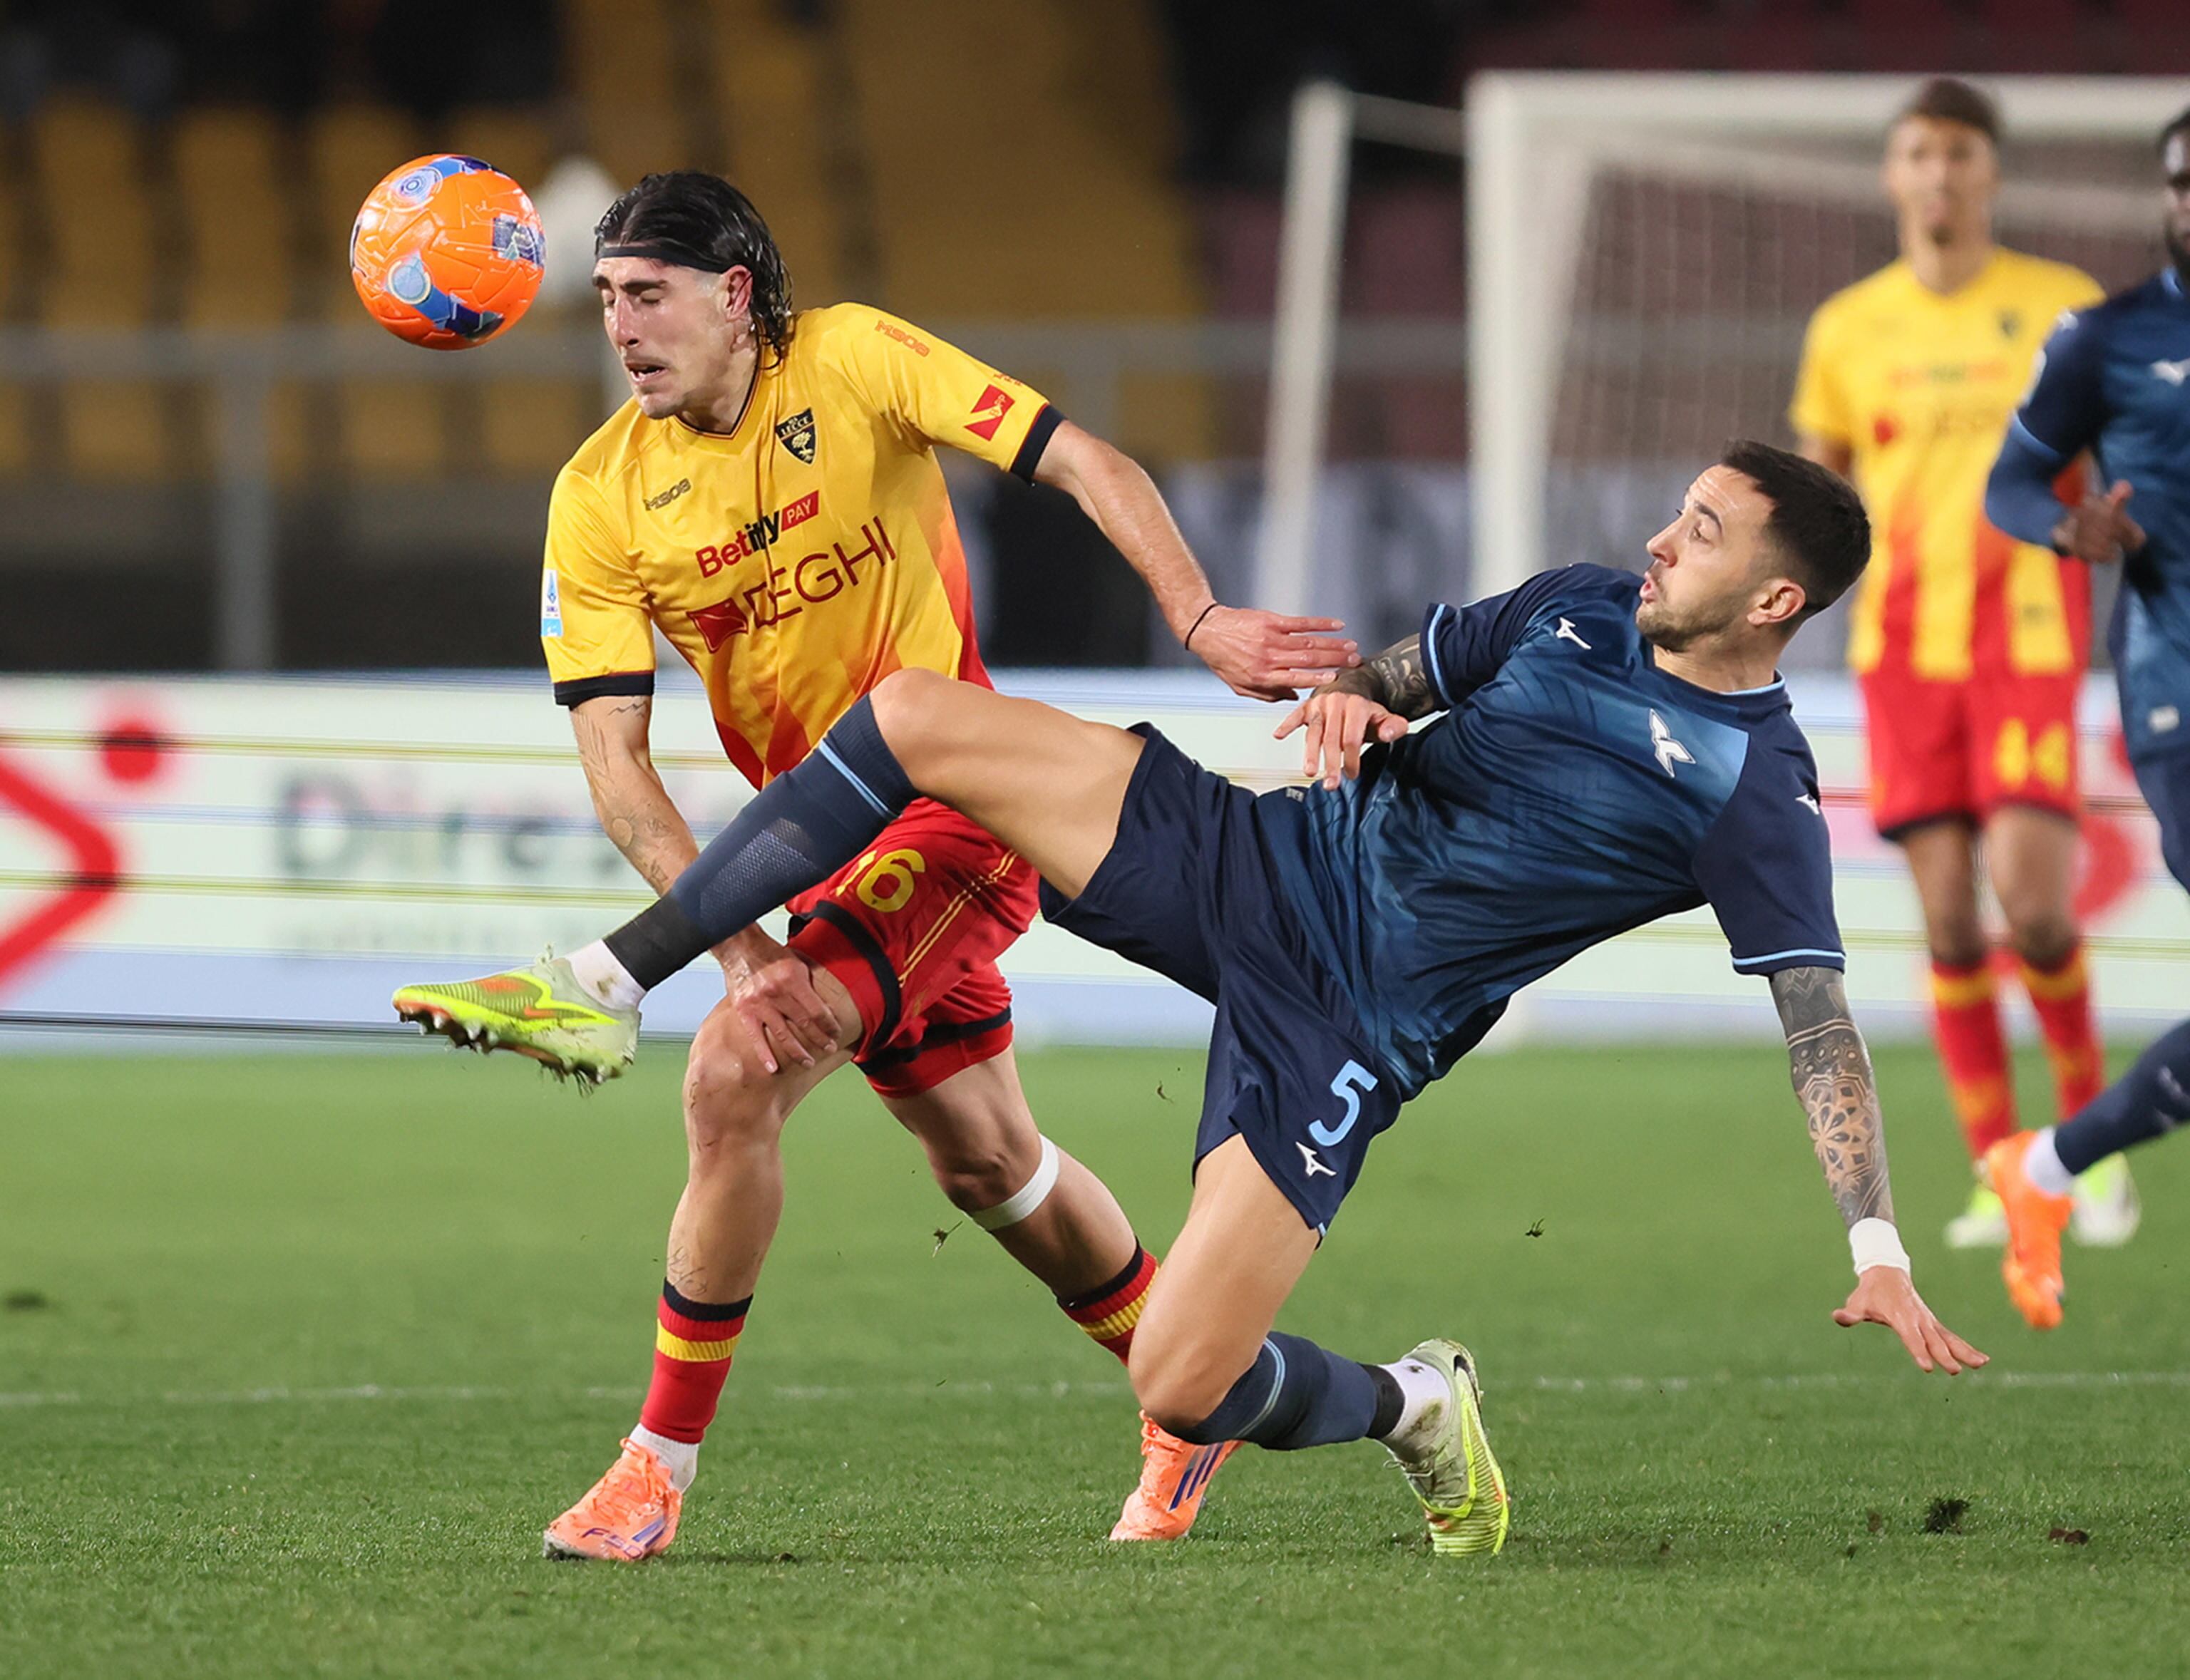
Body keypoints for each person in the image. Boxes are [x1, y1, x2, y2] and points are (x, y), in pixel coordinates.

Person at [408, 441, 1988, 1552]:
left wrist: (1878, 1243)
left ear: (1776, 602)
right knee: (917, 717)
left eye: (1705, 531)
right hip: (1251, 861)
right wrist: (1356, 710)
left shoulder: (1753, 793)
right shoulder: (1571, 603)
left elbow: (1820, 1023)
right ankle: (612, 977)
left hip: (1352, 1023)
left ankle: (1412, 1408)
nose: (1664, 538)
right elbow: (1388, 675)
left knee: (1185, 1376)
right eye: (1680, 513)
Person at [394, 171, 1359, 1560]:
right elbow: (618, 762)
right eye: (606, 300)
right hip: (817, 863)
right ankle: (1221, 1400)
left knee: (733, 1073)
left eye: (650, 295)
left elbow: (1088, 460)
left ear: (736, 296)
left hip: (966, 818)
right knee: (990, 1165)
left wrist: (1197, 613)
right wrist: (739, 942)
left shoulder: (851, 359)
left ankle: (651, 1473)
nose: (623, 328)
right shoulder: (601, 496)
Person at [1790, 77, 2137, 1251]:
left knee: (2035, 910)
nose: (1939, 174)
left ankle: (2090, 1151)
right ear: (1893, 175)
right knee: (1947, 927)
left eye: (1959, 155)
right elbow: (1815, 496)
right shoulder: (1847, 329)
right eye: (1919, 154)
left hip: (2030, 640)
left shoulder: (2065, 309)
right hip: (1902, 653)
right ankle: (2005, 1173)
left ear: (1990, 173)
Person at [1978, 104, 2190, 1330]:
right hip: (2181, 696)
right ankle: (2044, 1165)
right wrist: (2070, 527)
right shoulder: (2107, 339)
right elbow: (2012, 477)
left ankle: (2044, 1165)